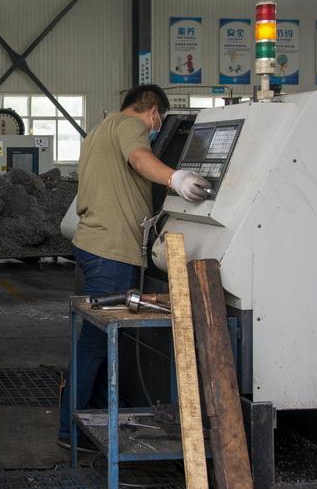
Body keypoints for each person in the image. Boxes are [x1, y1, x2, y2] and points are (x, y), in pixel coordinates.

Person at [57, 84, 211, 451]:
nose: (156, 128)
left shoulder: (99, 130)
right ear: (154, 112)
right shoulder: (130, 127)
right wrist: (176, 178)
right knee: (95, 343)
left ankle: (91, 418)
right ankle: (70, 430)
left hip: (95, 245)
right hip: (112, 251)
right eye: (158, 121)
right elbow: (140, 158)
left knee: (99, 340)